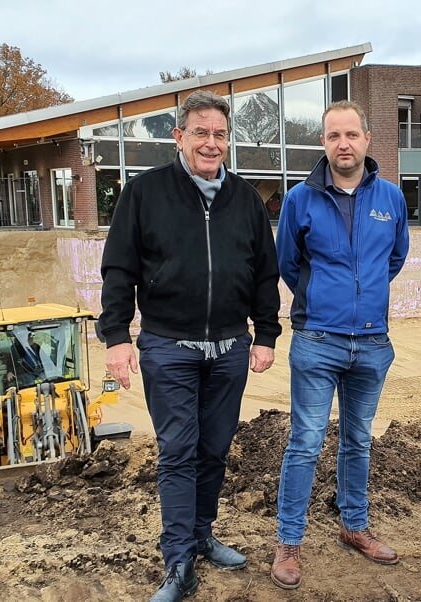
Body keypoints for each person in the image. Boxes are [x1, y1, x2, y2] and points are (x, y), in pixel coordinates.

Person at [98, 90, 282, 602]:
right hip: (167, 346)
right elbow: (119, 270)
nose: (210, 142)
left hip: (228, 349)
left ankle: (202, 534)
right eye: (199, 132)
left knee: (214, 450)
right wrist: (116, 338)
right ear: (179, 137)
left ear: (229, 141)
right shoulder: (145, 193)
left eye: (219, 134)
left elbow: (265, 274)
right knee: (178, 451)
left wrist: (265, 334)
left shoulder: (245, 200)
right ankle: (178, 560)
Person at [272, 100, 409, 590]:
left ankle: (354, 527)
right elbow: (287, 263)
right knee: (306, 443)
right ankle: (289, 541)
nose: (343, 144)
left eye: (351, 135)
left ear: (367, 139)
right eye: (333, 136)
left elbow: (394, 259)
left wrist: (363, 298)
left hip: (372, 342)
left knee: (358, 441)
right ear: (324, 143)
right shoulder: (299, 200)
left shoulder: (391, 198)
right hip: (318, 340)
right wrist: (327, 300)